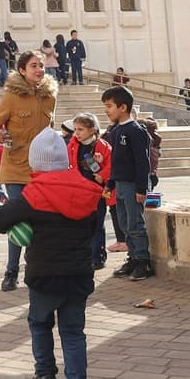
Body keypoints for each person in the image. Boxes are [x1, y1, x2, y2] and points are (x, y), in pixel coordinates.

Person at [0, 126, 99, 379]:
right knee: (74, 331)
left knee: (40, 323)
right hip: (79, 273)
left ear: (35, 163)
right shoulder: (89, 190)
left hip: (44, 273)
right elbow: (94, 228)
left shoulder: (32, 195)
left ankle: (45, 376)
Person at [0, 49, 59, 291]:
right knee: (17, 221)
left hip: (42, 170)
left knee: (39, 221)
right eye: (33, 66)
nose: (39, 69)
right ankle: (11, 271)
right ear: (21, 70)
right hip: (16, 169)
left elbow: (51, 130)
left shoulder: (50, 96)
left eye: (41, 65)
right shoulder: (11, 96)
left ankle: (35, 267)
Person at [100, 87, 155, 280]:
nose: (106, 110)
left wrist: (142, 188)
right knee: (124, 223)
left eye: (109, 106)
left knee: (135, 224)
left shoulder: (136, 131)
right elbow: (116, 160)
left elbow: (142, 161)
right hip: (120, 185)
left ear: (123, 107)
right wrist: (110, 184)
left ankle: (142, 261)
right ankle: (132, 257)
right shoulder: (116, 131)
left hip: (133, 185)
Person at [67, 113, 112, 270]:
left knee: (97, 224)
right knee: (81, 224)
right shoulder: (73, 145)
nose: (77, 133)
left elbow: (111, 164)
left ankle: (98, 256)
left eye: (80, 129)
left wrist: (102, 175)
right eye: (75, 129)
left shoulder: (102, 146)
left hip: (97, 192)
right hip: (80, 191)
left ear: (92, 130)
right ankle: (83, 255)